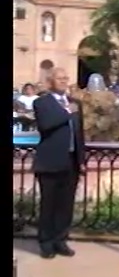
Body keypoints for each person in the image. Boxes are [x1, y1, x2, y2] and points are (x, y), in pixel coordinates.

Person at [31, 68, 86, 260]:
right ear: (50, 81)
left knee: (66, 204)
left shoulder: (75, 103)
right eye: (60, 78)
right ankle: (46, 243)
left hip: (71, 162)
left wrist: (82, 159)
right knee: (49, 204)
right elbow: (45, 125)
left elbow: (80, 134)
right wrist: (66, 113)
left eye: (65, 78)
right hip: (50, 161)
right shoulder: (42, 102)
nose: (64, 81)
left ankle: (60, 240)